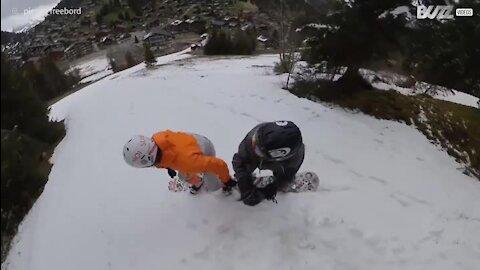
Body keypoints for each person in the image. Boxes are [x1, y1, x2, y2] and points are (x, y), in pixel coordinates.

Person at [123, 130, 237, 194]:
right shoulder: (157, 139)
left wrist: (226, 180)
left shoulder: (189, 162)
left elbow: (217, 164)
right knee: (183, 177)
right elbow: (166, 154)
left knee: (212, 186)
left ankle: (222, 186)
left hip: (204, 150)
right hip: (191, 142)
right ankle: (199, 181)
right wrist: (168, 167)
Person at [232, 121, 304, 206]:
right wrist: (243, 180)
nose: (253, 146)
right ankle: (247, 177)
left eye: (258, 150)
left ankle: (283, 186)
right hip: (266, 157)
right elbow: (240, 160)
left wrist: (270, 190)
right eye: (255, 142)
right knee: (247, 159)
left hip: (277, 163)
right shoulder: (254, 138)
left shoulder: (294, 158)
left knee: (284, 176)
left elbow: (288, 174)